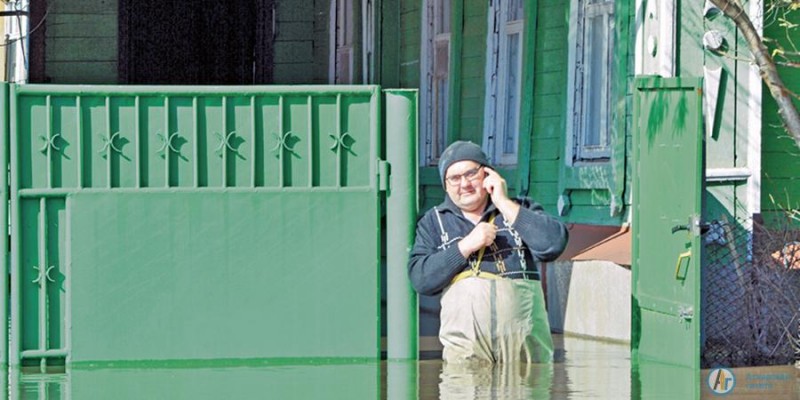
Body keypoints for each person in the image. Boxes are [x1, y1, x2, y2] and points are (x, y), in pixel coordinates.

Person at [408, 141, 568, 364]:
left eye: (471, 173)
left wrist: (503, 202)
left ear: (488, 174)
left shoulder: (520, 208)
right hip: (466, 363)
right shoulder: (433, 222)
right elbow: (421, 279)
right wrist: (465, 247)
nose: (464, 184)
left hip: (526, 360)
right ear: (445, 185)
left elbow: (554, 244)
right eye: (454, 178)